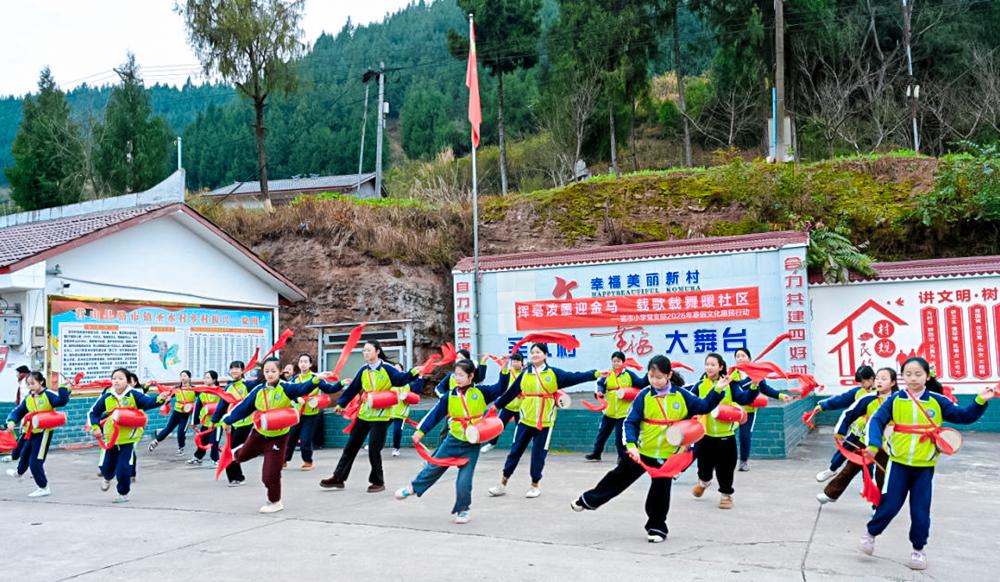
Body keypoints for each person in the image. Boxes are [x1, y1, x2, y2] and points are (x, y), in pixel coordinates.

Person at [860, 357, 994, 570]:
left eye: (918, 374)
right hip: (899, 464)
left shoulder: (937, 401)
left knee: (920, 511)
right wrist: (874, 445)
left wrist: (980, 400)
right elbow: (876, 420)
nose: (913, 378)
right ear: (902, 377)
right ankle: (870, 534)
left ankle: (918, 550)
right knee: (890, 505)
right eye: (908, 374)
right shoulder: (895, 400)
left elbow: (965, 416)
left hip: (925, 468)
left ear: (927, 376)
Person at [571, 355, 723, 542]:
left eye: (659, 377)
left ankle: (657, 528)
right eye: (651, 376)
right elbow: (631, 422)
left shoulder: (682, 395)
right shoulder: (644, 395)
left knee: (660, 493)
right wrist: (632, 446)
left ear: (669, 375)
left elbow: (704, 406)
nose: (655, 381)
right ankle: (587, 500)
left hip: (667, 457)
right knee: (616, 478)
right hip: (642, 451)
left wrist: (718, 389)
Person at [219, 358, 341, 513]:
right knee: (241, 456)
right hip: (259, 434)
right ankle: (232, 454)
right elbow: (243, 408)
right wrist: (227, 420)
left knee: (270, 474)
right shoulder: (258, 390)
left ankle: (274, 501)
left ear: (280, 372)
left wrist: (317, 379)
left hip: (278, 437)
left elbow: (302, 388)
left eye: (273, 371)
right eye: (267, 371)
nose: (270, 374)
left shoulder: (286, 388)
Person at [395, 359, 507, 524]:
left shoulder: (481, 392)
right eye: (455, 375)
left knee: (464, 480)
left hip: (472, 443)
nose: (457, 378)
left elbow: (500, 388)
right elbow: (435, 414)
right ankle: (413, 487)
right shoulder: (449, 396)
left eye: (461, 375)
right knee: (434, 467)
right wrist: (420, 432)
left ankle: (463, 510)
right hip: (452, 440)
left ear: (471, 376)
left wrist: (504, 370)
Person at [489, 343, 603, 499]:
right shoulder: (525, 374)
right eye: (532, 352)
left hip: (545, 421)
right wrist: (497, 405)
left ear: (545, 355)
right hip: (525, 419)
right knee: (515, 451)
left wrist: (595, 374)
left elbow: (575, 376)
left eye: (538, 352)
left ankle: (535, 485)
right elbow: (512, 392)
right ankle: (502, 483)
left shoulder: (553, 374)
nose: (534, 354)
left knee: (538, 454)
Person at [320, 340, 419, 493]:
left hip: (380, 415)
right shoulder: (363, 370)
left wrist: (412, 373)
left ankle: (378, 482)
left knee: (374, 449)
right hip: (365, 413)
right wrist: (341, 404)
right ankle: (338, 478)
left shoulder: (387, 368)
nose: (365, 353)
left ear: (377, 351)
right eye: (364, 350)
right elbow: (353, 388)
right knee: (351, 446)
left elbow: (400, 379)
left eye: (368, 350)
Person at [817, 367, 897, 505]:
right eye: (877, 378)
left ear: (893, 382)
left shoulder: (899, 400)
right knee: (849, 469)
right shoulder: (867, 398)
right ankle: (830, 494)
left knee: (881, 477)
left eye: (883, 379)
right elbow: (850, 413)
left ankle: (877, 506)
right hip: (865, 442)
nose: (879, 382)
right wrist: (841, 430)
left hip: (887, 446)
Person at [88, 368, 168, 502]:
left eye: (120, 378)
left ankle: (123, 493)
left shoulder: (133, 395)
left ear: (128, 381)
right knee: (107, 467)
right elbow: (94, 413)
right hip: (111, 439)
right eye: (114, 378)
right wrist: (96, 427)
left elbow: (148, 403)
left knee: (124, 468)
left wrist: (160, 399)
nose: (117, 381)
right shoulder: (107, 396)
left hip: (129, 438)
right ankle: (107, 478)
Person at [690, 353, 758, 509]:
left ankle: (726, 494)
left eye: (713, 365)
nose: (709, 367)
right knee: (704, 468)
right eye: (707, 364)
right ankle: (704, 482)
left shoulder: (730, 384)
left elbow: (744, 399)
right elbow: (689, 403)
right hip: (705, 436)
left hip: (726, 437)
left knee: (726, 468)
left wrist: (754, 386)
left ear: (721, 367)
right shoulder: (700, 385)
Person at [4, 371, 70, 497]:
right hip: (31, 430)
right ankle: (19, 473)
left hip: (43, 432)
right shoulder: (29, 397)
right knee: (24, 455)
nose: (30, 387)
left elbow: (61, 401)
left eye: (33, 383)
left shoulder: (48, 394)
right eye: (28, 384)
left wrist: (63, 388)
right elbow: (18, 411)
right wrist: (11, 421)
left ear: (41, 382)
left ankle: (43, 487)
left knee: (35, 462)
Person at [731, 347, 793, 472]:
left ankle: (743, 462)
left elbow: (765, 389)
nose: (740, 358)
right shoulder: (732, 375)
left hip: (748, 412)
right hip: (733, 411)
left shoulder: (756, 374)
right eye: (737, 356)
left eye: (743, 355)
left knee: (744, 436)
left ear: (749, 358)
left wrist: (781, 396)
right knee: (727, 436)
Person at [813, 365, 876, 482]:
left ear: (872, 378)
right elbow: (840, 400)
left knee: (867, 459)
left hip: (872, 432)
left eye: (864, 382)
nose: (862, 385)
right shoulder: (858, 392)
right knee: (843, 451)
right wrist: (822, 406)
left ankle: (868, 483)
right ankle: (832, 469)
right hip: (857, 430)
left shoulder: (882, 393)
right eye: (860, 383)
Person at [585, 351, 649, 462]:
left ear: (623, 362)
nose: (616, 363)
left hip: (623, 413)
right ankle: (596, 453)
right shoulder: (607, 374)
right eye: (614, 361)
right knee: (602, 434)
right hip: (609, 412)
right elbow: (599, 386)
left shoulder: (629, 374)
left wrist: (650, 374)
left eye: (618, 361)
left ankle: (622, 456)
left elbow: (641, 383)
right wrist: (599, 393)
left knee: (620, 437)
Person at [210, 360, 262, 486]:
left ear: (243, 371)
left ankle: (238, 477)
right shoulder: (228, 387)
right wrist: (214, 421)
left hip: (246, 422)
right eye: (232, 368)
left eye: (237, 368)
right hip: (233, 423)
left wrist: (261, 367)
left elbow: (261, 381)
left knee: (232, 449)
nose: (234, 371)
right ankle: (235, 477)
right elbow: (222, 405)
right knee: (231, 449)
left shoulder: (248, 385)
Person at [284, 353, 323, 470]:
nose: (303, 364)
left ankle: (307, 461)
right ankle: (284, 460)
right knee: (290, 438)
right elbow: (287, 393)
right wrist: (297, 398)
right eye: (301, 362)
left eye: (306, 362)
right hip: (296, 414)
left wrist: (341, 384)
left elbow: (329, 388)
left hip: (311, 414)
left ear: (310, 364)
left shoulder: (316, 378)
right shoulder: (295, 379)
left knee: (305, 439)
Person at [481, 353, 525, 453]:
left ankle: (517, 448)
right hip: (507, 406)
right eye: (513, 361)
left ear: (522, 362)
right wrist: (505, 362)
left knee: (520, 429)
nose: (515, 363)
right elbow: (503, 372)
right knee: (499, 425)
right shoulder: (509, 371)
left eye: (517, 361)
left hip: (521, 407)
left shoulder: (526, 373)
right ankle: (491, 443)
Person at [148, 370, 197, 455]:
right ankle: (155, 442)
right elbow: (169, 396)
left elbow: (201, 398)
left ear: (189, 378)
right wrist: (166, 401)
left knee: (181, 432)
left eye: (185, 376)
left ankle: (181, 447)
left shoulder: (194, 389)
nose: (183, 378)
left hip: (186, 414)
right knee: (168, 429)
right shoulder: (176, 389)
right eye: (181, 376)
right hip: (176, 412)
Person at [388, 361, 424, 457]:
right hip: (387, 411)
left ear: (402, 370)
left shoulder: (407, 384)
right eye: (394, 368)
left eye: (398, 368)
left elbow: (417, 389)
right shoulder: (389, 383)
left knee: (397, 432)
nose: (396, 369)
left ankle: (396, 448)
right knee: (378, 430)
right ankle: (373, 445)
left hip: (400, 413)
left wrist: (420, 377)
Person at [188, 370, 222, 466]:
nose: (205, 380)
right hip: (205, 422)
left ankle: (215, 460)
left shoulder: (220, 392)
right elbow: (197, 407)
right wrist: (194, 422)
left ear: (214, 379)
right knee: (202, 441)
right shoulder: (202, 393)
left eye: (208, 378)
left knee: (214, 442)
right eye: (205, 377)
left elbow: (224, 405)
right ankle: (198, 458)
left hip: (216, 423)